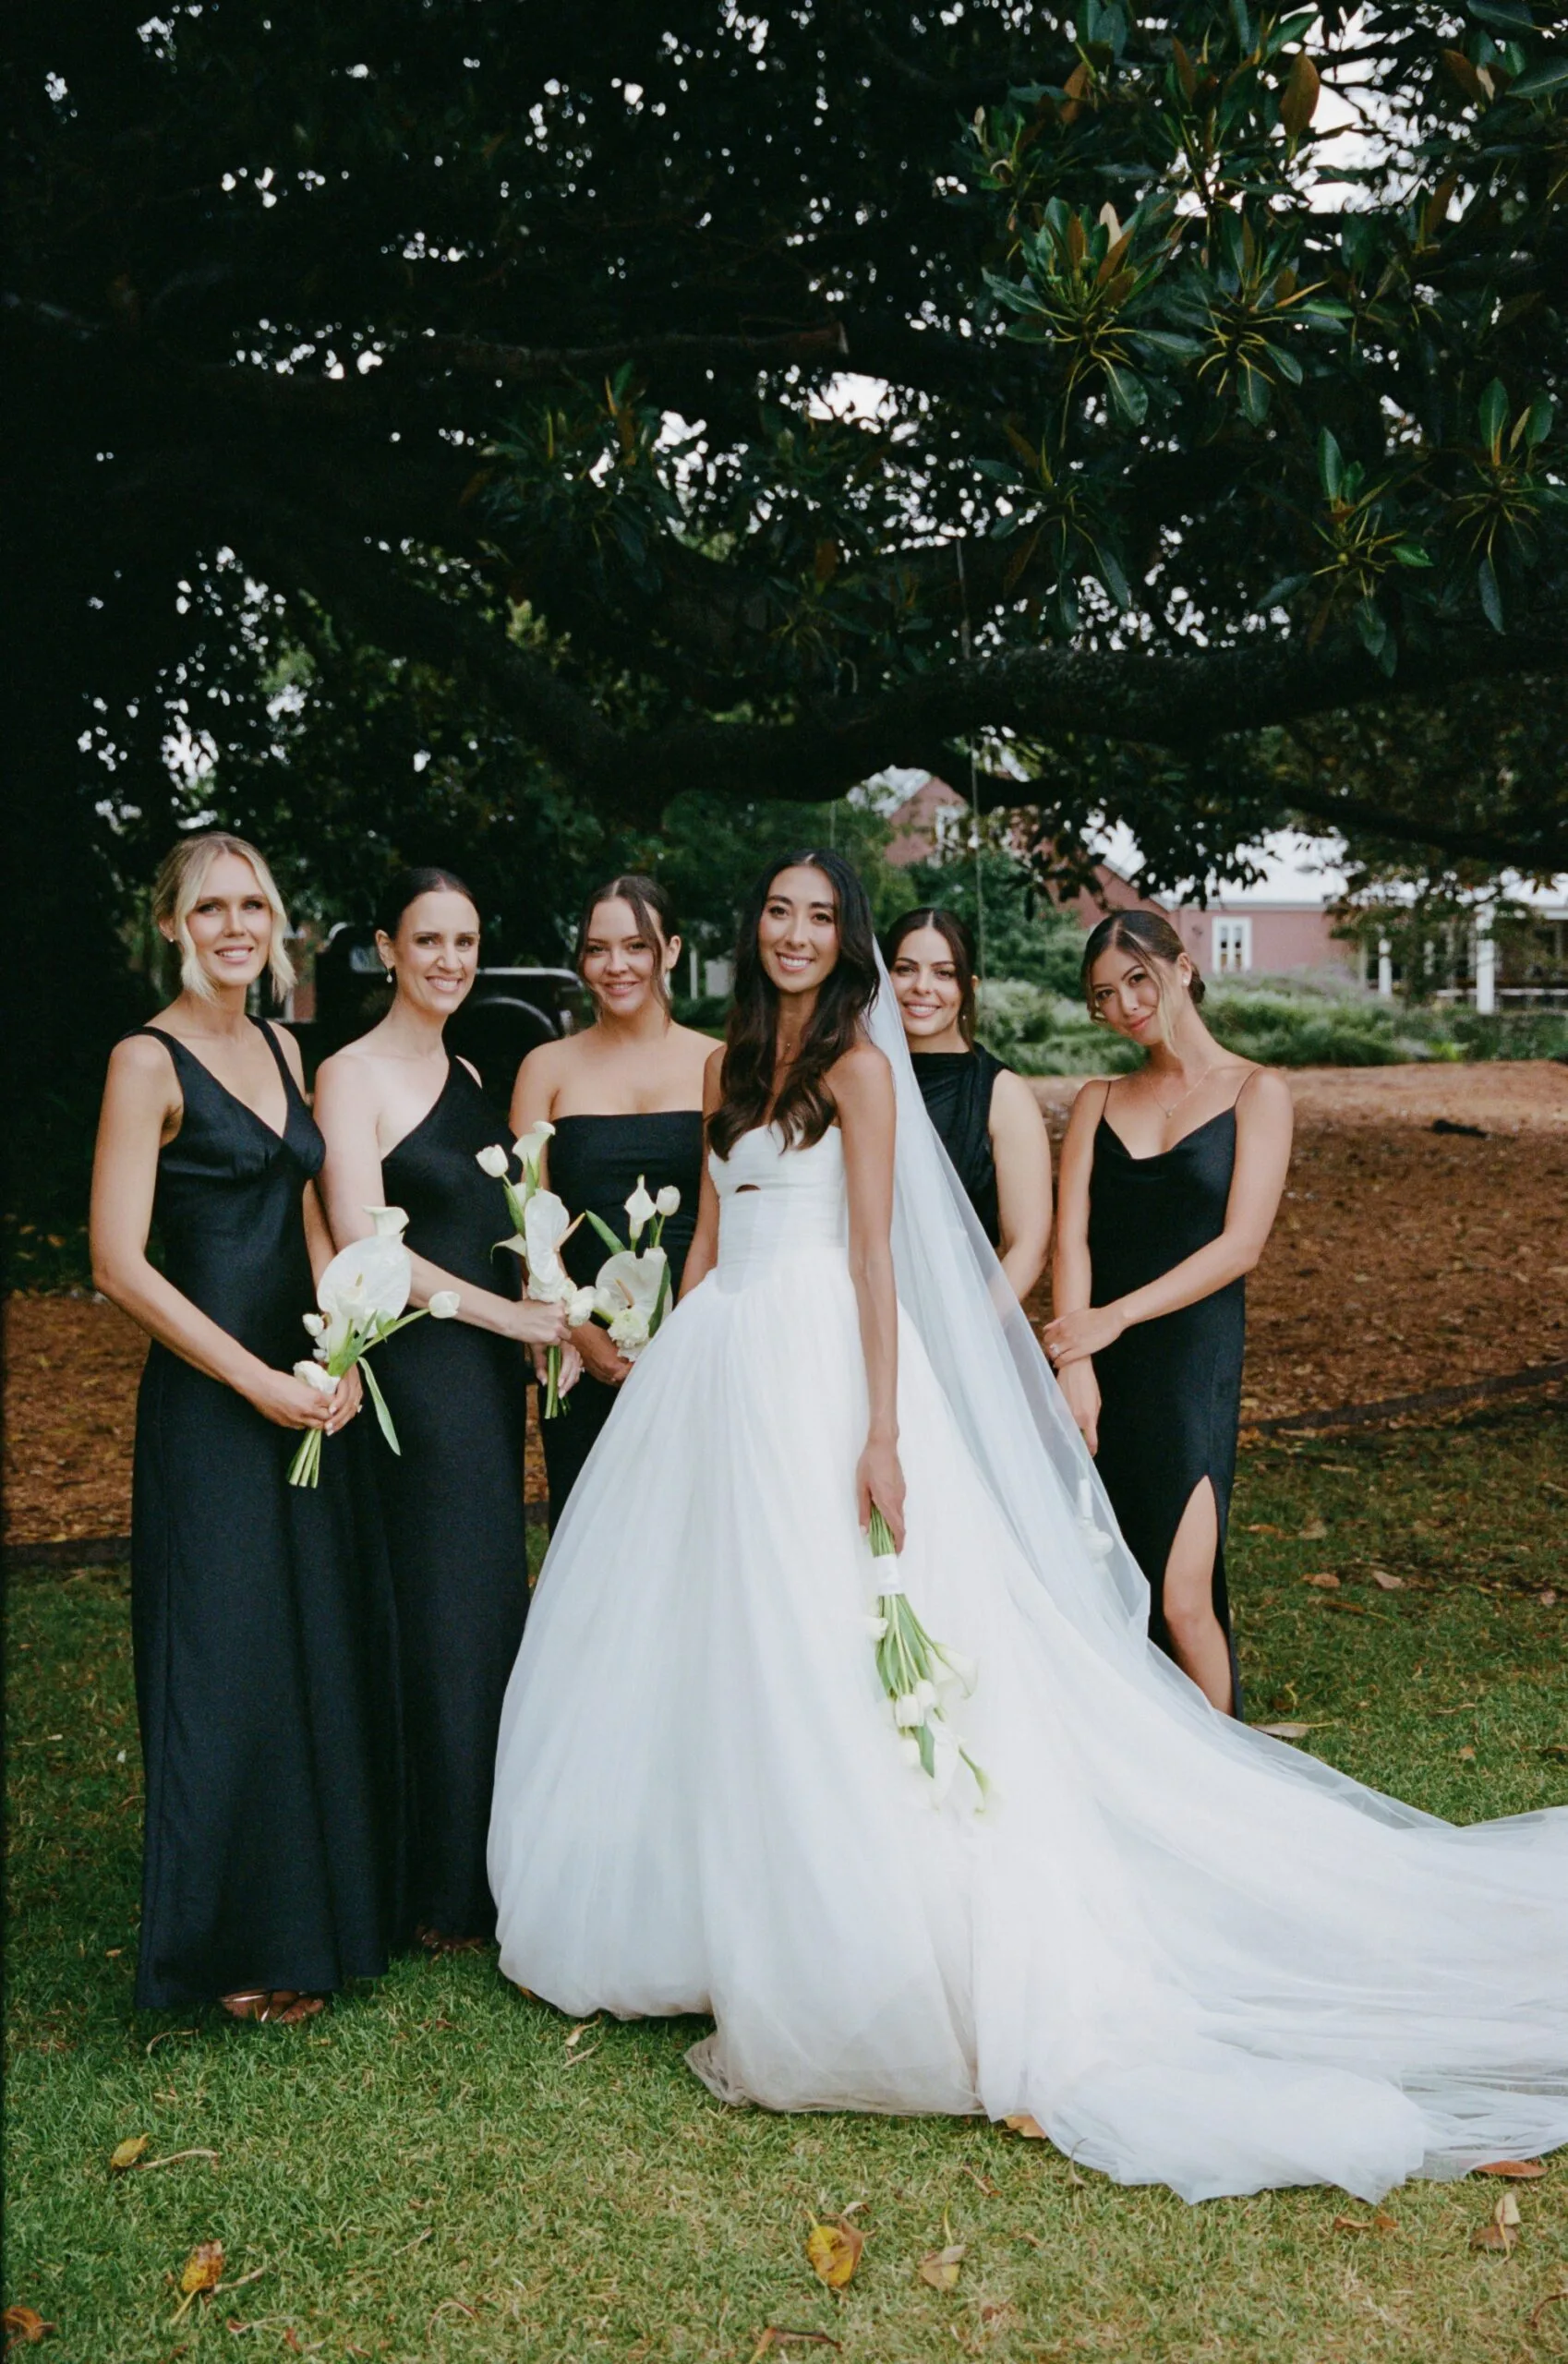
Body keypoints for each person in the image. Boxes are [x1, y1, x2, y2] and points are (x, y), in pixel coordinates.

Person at [487, 846, 1568, 2206]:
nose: (794, 934)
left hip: (823, 1363)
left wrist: (882, 1430)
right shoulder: (730, 1069)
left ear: (846, 938)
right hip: (717, 1363)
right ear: (751, 925)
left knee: (832, 1630)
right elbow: (712, 1231)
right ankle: (702, 1908)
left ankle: (855, 1923)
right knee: (721, 1628)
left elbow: (871, 1253)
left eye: (820, 918)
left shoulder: (861, 1070)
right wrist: (667, 1353)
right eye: (776, 911)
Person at [90, 833, 403, 2024]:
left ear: (276, 923)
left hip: (302, 1380)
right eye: (211, 908)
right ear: (173, 925)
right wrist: (255, 1382)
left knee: (302, 1645)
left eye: (253, 907)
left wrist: (340, 1344)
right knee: (223, 1660)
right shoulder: (145, 1061)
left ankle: (312, 1922)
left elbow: (310, 1210)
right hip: (211, 1400)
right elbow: (119, 1263)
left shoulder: (283, 1045)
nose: (235, 927)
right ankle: (225, 1947)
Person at [313, 867, 572, 1948]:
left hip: (485, 1383)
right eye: (428, 940)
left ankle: (483, 1858)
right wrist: (512, 1320)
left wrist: (548, 1299)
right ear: (386, 948)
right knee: (434, 1614)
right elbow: (365, 1240)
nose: (450, 961)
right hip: (416, 1374)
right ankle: (433, 1887)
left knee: (484, 1607)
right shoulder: (347, 1075)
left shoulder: (468, 1070)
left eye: (465, 942)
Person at [1046, 913, 1292, 1716]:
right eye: (1104, 996)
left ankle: (1230, 1767)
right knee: (1110, 1587)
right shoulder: (1096, 1101)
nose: (1125, 1006)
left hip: (1193, 1358)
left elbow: (1241, 1246)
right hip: (1100, 1366)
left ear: (1182, 967)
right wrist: (1076, 1361)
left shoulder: (1258, 1092)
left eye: (1137, 980)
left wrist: (1114, 1318)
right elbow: (1071, 1239)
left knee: (1184, 1595)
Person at [509, 874, 709, 1525]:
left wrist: (687, 1333)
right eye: (598, 949)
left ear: (671, 950)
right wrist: (577, 1331)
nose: (615, 965)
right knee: (592, 1528)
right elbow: (530, 1222)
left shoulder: (722, 1063)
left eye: (636, 946)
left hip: (699, 1340)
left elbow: (732, 1211)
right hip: (579, 1350)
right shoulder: (546, 1067)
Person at [885, 906, 1053, 1300]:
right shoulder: (853, 1076)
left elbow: (1029, 1246)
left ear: (968, 986)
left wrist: (976, 1330)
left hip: (957, 1311)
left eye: (943, 973)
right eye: (905, 969)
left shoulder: (1001, 1093)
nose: (922, 986)